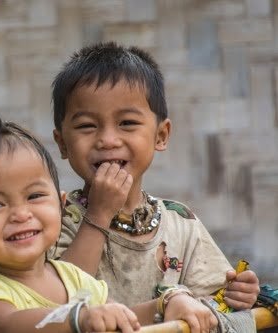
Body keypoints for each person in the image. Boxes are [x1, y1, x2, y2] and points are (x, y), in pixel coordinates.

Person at [49, 41, 260, 332]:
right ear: (62, 143)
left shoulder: (180, 222)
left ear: (160, 135)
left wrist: (235, 296)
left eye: (126, 123)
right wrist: (97, 215)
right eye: (87, 126)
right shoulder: (53, 219)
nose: (108, 139)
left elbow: (210, 308)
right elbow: (59, 303)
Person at [0, 118, 144, 333]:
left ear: (61, 206)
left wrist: (167, 303)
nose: (21, 215)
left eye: (34, 196)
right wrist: (79, 317)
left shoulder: (74, 277)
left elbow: (125, 318)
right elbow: (10, 325)